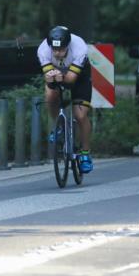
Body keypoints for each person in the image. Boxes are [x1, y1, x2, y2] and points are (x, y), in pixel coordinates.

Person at [37, 25, 94, 173]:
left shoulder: (79, 48)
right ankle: (58, 126)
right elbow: (49, 80)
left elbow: (70, 80)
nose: (57, 53)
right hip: (58, 73)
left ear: (68, 45)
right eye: (54, 50)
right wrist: (52, 79)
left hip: (79, 76)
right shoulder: (43, 50)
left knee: (80, 115)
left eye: (61, 49)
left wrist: (58, 76)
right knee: (50, 95)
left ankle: (85, 153)